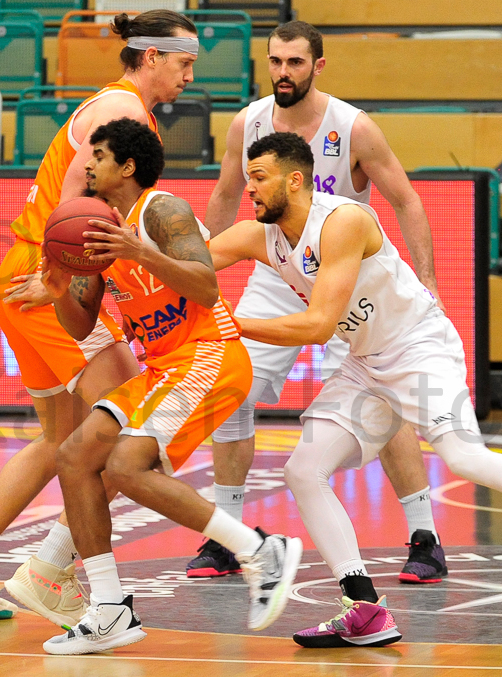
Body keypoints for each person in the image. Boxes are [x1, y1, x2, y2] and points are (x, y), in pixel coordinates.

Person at [209, 132, 502, 649]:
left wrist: (233, 324)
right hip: (366, 364)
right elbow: (190, 264)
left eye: (258, 178)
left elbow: (319, 323)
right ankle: (364, 607)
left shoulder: (344, 220)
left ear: (295, 179)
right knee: (303, 471)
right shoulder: (261, 236)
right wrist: (125, 253)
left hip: (419, 350)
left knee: (463, 456)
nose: (249, 189)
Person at [0, 10, 200, 628]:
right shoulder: (120, 112)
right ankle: (51, 571)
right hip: (50, 281)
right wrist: (61, 282)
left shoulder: (115, 107)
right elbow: (75, 206)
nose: (190, 73)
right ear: (150, 56)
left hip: (28, 275)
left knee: (60, 441)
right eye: (183, 61)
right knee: (135, 436)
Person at [190, 20, 446, 585]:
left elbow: (405, 199)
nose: (283, 72)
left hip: (344, 287)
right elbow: (227, 194)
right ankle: (228, 535)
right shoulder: (248, 122)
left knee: (382, 402)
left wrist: (426, 281)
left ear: (317, 66)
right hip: (279, 271)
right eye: (276, 61)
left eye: (295, 63)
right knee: (229, 385)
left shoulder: (353, 127)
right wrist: (199, 275)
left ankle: (424, 537)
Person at [36, 118, 302, 655]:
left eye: (99, 156)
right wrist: (58, 285)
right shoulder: (97, 225)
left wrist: (140, 254)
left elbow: (206, 287)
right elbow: (82, 324)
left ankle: (258, 550)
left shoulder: (162, 211)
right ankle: (109, 608)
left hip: (210, 354)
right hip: (162, 365)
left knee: (126, 468)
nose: (86, 165)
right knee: (73, 457)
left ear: (127, 167)